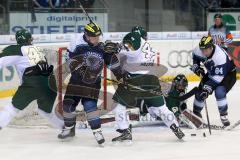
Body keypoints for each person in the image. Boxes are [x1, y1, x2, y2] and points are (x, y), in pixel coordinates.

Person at [57, 22, 124, 146]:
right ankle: (69, 128)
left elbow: (111, 62)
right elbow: (69, 61)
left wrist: (119, 73)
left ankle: (97, 131)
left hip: (93, 82)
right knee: (67, 105)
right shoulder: (76, 42)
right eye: (94, 37)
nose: (97, 39)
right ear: (87, 36)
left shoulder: (102, 43)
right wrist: (78, 69)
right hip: (76, 81)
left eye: (98, 37)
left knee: (90, 106)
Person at [111, 32, 185, 143]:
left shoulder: (134, 45)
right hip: (151, 79)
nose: (127, 45)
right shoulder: (146, 44)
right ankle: (175, 127)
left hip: (135, 78)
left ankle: (125, 131)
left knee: (119, 105)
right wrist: (118, 46)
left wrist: (116, 49)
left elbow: (130, 51)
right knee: (160, 108)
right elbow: (127, 47)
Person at [0, 29, 63, 130]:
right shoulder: (37, 49)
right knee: (45, 111)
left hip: (33, 83)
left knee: (12, 108)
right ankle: (65, 128)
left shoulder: (16, 49)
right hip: (50, 84)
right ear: (30, 39)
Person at [191, 36, 236, 126]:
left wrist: (207, 89)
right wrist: (196, 67)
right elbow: (195, 57)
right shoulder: (199, 50)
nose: (204, 52)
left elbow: (216, 80)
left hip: (228, 74)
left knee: (219, 91)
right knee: (200, 92)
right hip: (213, 72)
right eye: (202, 50)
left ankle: (224, 116)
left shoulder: (220, 56)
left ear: (211, 47)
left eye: (206, 50)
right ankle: (196, 114)